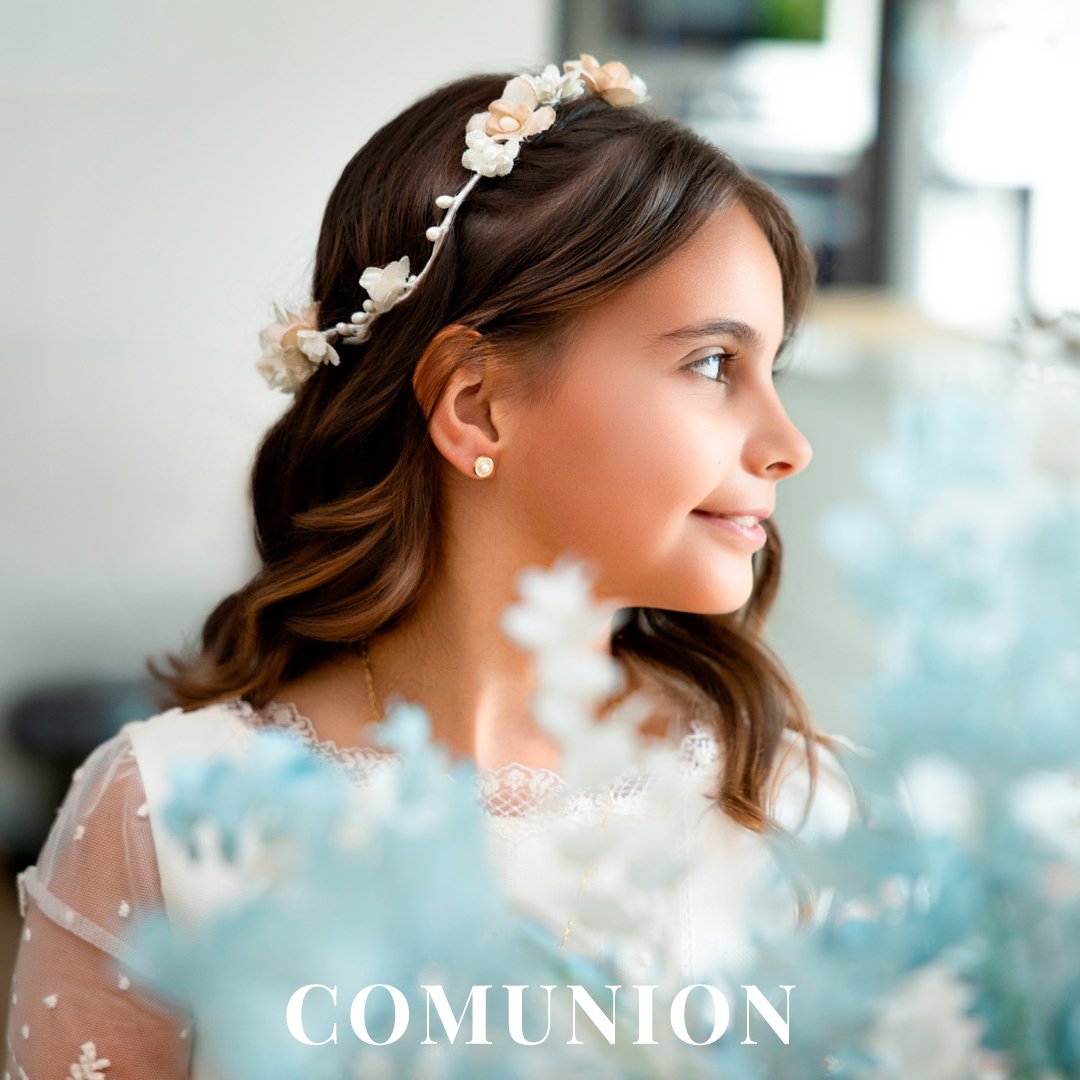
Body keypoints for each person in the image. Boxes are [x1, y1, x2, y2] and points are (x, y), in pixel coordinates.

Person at [4, 55, 859, 1077]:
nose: (790, 444)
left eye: (773, 369)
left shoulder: (788, 799)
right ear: (476, 406)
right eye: (713, 363)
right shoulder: (162, 813)